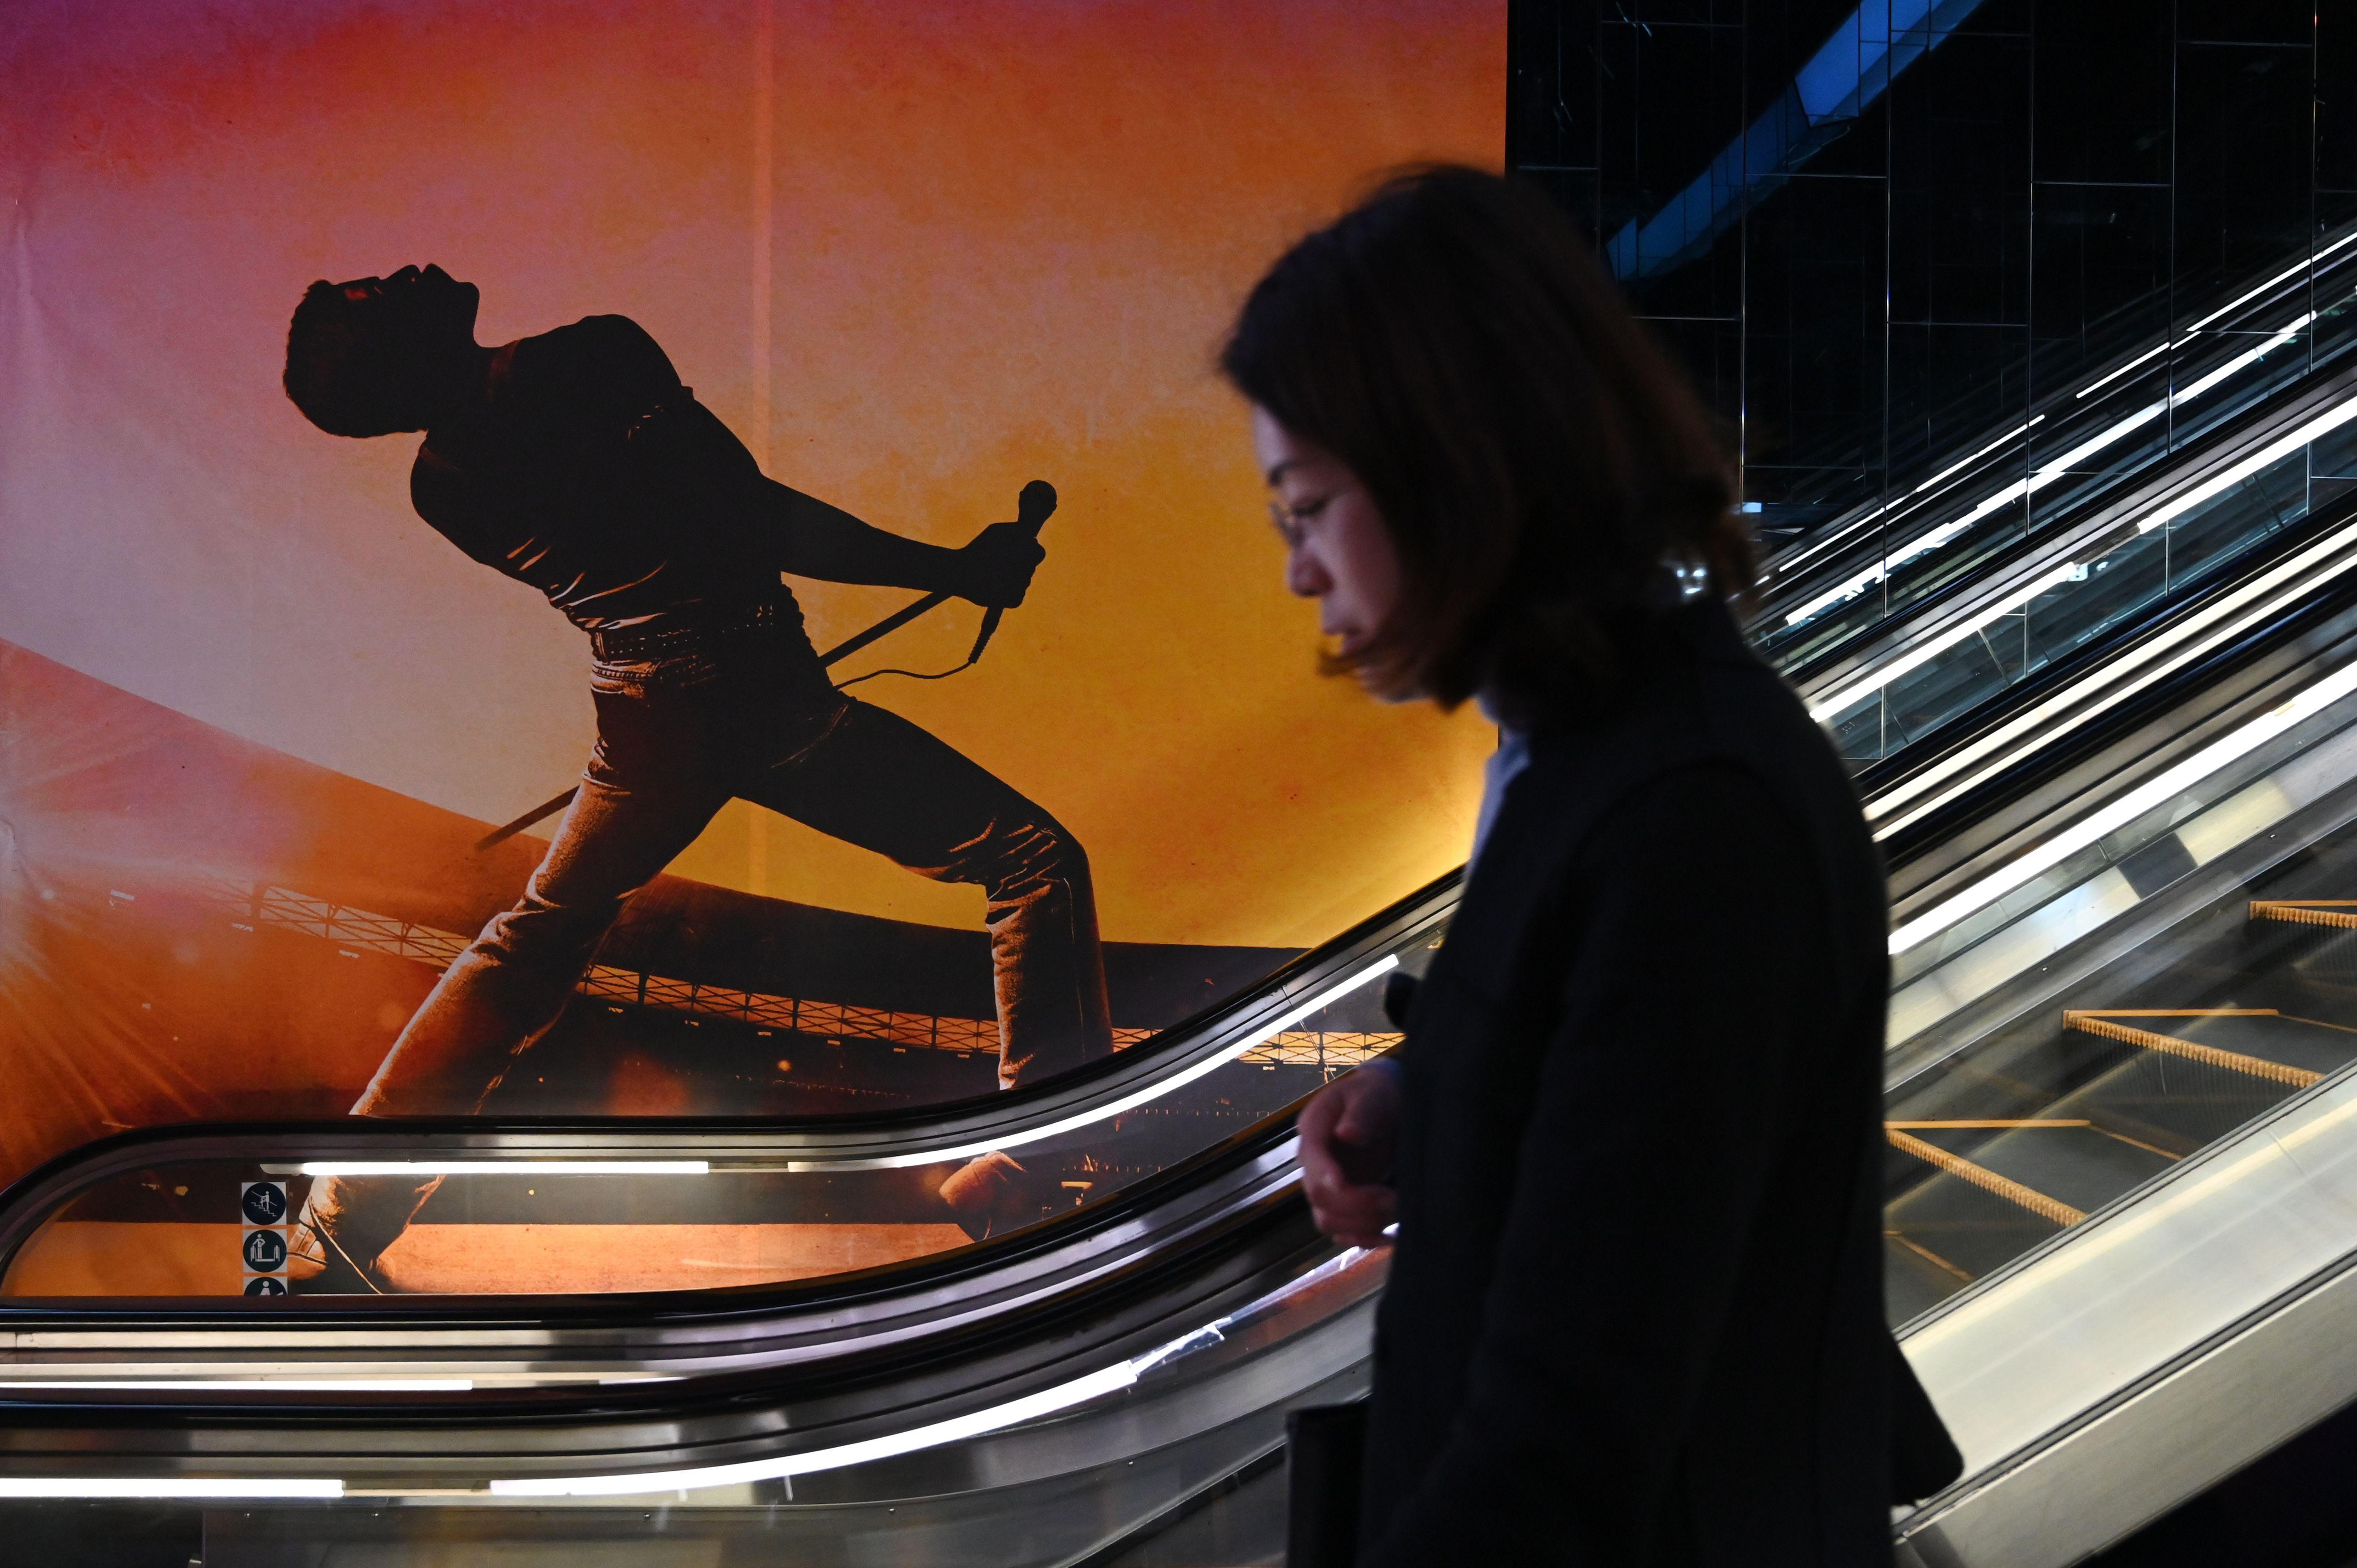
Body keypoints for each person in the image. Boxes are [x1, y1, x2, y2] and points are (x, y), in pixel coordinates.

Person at [1229, 168, 1948, 1564]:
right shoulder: (1592, 759)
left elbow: (1572, 1437)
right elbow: (1633, 1129)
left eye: (1305, 508)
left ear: (1452, 466)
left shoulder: (1691, 815)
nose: (1300, 577)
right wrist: (1436, 1100)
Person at [280, 266, 1111, 1290]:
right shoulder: (595, 354)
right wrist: (952, 568)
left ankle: (336, 1218)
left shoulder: (441, 487)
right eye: (374, 292)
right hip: (753, 696)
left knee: (532, 945)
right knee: (1032, 861)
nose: (398, 270)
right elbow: (754, 522)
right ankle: (1031, 1168)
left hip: (645, 715)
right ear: (401, 347)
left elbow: (695, 540)